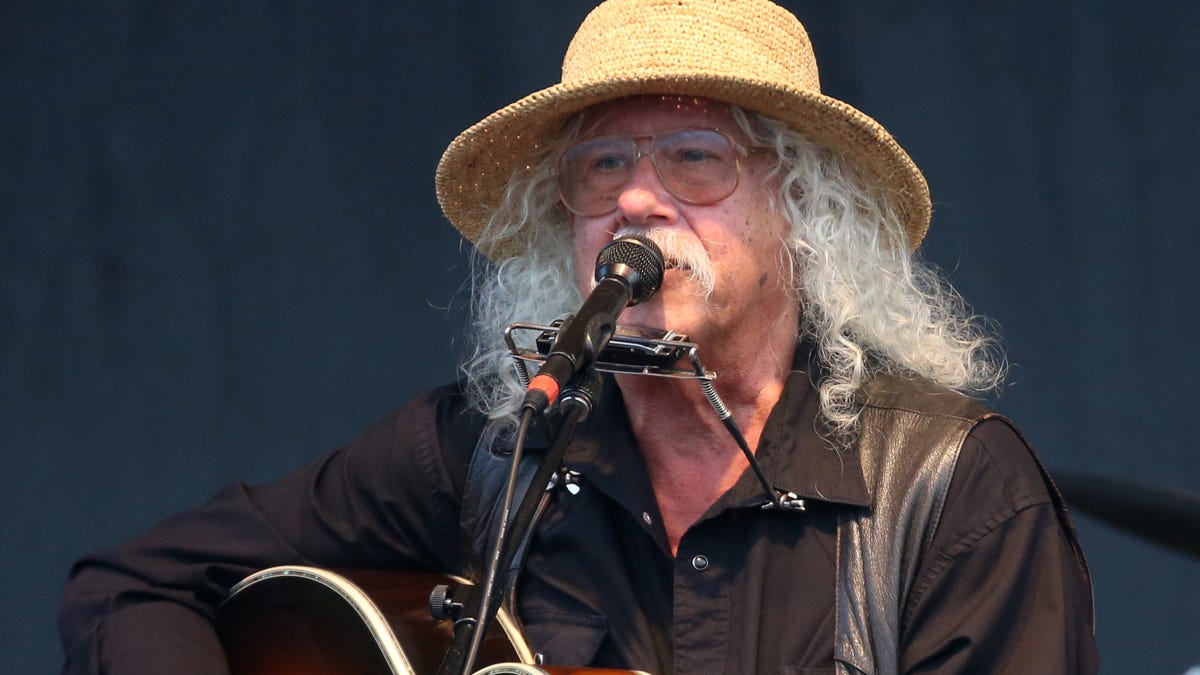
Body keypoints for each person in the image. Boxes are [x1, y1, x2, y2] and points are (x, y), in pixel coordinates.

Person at [58, 0, 1099, 673]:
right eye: (601, 169)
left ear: (802, 211)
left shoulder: (951, 490)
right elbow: (132, 584)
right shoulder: (497, 447)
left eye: (696, 158)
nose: (636, 199)